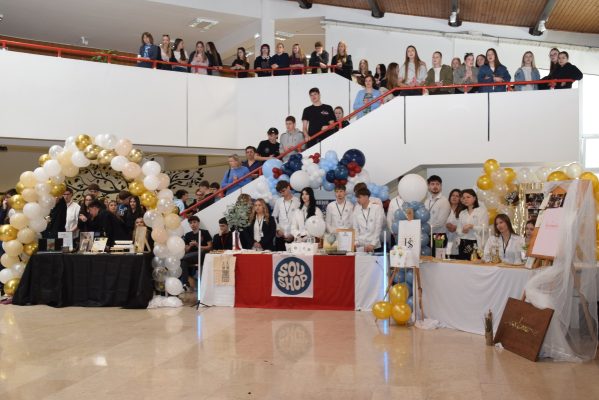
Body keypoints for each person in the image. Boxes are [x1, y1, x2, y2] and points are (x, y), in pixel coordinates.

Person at [181, 215, 212, 289]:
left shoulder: (204, 232)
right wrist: (190, 246)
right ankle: (185, 283)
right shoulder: (188, 235)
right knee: (183, 262)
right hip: (190, 256)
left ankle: (181, 258)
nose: (193, 224)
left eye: (194, 222)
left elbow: (210, 247)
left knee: (183, 258)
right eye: (191, 223)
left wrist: (198, 246)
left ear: (198, 223)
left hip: (202, 254)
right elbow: (186, 250)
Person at [456, 189, 489, 260]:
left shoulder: (482, 211)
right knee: (462, 264)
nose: (465, 199)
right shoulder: (462, 213)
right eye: (463, 198)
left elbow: (485, 229)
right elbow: (458, 230)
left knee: (475, 264)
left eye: (468, 197)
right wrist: (462, 231)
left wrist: (472, 226)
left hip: (475, 242)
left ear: (474, 198)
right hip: (463, 242)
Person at [424, 175, 451, 255]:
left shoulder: (444, 201)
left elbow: (440, 222)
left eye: (437, 184)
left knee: (438, 259)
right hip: (427, 235)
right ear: (429, 186)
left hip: (439, 236)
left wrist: (425, 228)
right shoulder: (427, 201)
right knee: (427, 258)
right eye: (432, 184)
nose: (435, 186)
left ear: (441, 186)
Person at [352, 188, 384, 253]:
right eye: (357, 198)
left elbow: (378, 228)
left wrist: (373, 244)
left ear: (366, 197)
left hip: (374, 245)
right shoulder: (356, 209)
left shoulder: (377, 208)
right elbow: (355, 227)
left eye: (359, 197)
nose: (357, 200)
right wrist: (356, 242)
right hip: (360, 245)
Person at [273, 180, 300, 250]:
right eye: (280, 192)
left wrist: (294, 234)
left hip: (293, 236)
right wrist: (277, 229)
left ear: (288, 188)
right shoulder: (278, 201)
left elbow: (300, 220)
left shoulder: (297, 201)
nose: (282, 194)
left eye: (283, 191)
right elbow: (274, 217)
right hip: (280, 236)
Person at [445, 189, 464, 258]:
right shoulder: (444, 208)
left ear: (460, 199)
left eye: (457, 196)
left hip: (457, 240)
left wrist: (456, 227)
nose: (454, 197)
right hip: (444, 238)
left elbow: (464, 225)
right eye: (453, 195)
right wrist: (446, 225)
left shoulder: (463, 211)